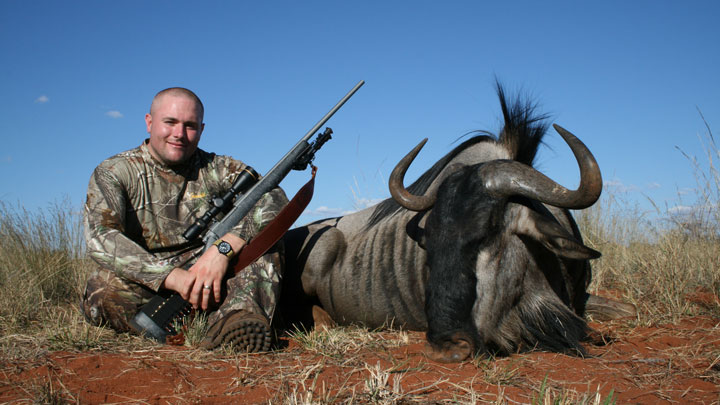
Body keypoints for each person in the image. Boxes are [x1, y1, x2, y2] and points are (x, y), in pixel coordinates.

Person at [81, 87, 288, 352]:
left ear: (202, 129)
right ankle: (209, 321)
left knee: (266, 241)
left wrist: (222, 249)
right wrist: (171, 276)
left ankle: (236, 321)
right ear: (149, 122)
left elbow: (274, 198)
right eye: (170, 122)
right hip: (154, 281)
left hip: (215, 276)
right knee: (102, 289)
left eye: (190, 126)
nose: (179, 134)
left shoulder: (219, 168)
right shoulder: (114, 172)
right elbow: (101, 237)